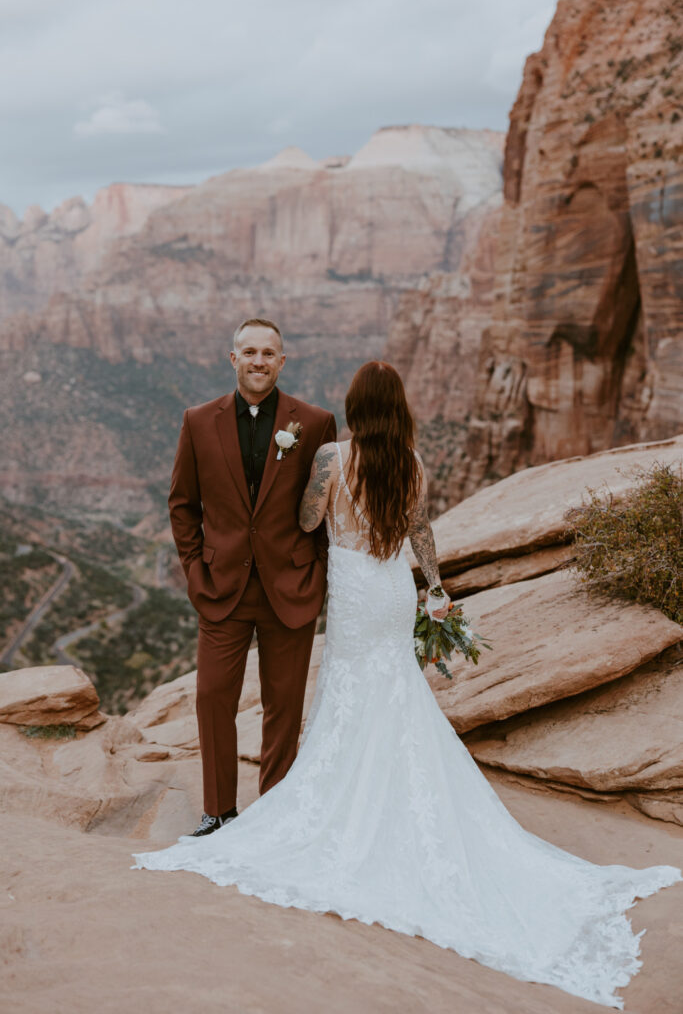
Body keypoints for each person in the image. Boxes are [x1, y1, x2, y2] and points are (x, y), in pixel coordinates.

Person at [134, 361, 681, 1009]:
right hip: (393, 587)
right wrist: (437, 589)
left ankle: (354, 797)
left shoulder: (333, 457)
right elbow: (420, 530)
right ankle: (397, 783)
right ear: (397, 408)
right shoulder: (412, 462)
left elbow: (309, 523)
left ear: (355, 406)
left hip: (354, 587)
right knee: (395, 687)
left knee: (350, 689)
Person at [166, 316, 336, 836]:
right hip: (221, 590)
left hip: (291, 586)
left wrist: (320, 573)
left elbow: (329, 509)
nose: (259, 361)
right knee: (213, 696)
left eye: (269, 353)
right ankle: (218, 811)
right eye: (249, 352)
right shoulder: (198, 420)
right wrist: (197, 570)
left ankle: (274, 814)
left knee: (283, 705)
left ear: (282, 362)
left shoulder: (315, 421)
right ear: (232, 358)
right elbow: (182, 503)